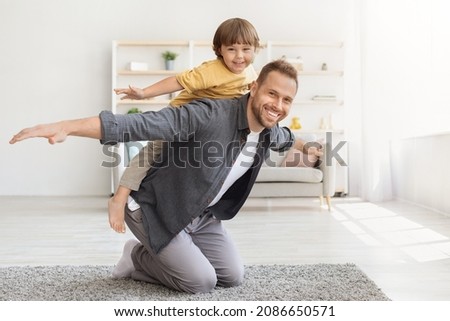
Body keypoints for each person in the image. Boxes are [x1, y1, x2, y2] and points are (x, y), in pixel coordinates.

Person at [10, 59, 322, 294]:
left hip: (201, 216)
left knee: (232, 277)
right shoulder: (211, 114)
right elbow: (141, 125)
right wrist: (68, 126)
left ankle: (170, 251)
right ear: (253, 87)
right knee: (201, 281)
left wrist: (309, 148)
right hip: (156, 209)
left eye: (286, 100)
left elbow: (285, 136)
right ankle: (137, 256)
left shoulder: (269, 132)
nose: (277, 105)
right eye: (272, 94)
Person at [110, 17, 260, 234]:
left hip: (206, 125)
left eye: (246, 49)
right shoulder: (212, 70)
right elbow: (177, 81)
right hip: (181, 117)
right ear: (219, 50)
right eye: (231, 49)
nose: (239, 56)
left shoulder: (250, 71)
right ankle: (120, 197)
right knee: (153, 152)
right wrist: (144, 93)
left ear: (255, 49)